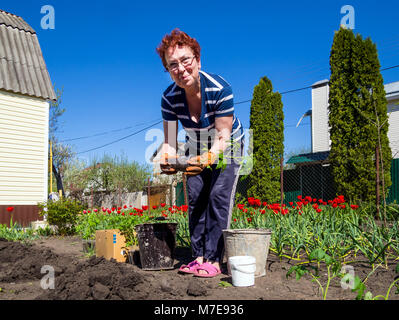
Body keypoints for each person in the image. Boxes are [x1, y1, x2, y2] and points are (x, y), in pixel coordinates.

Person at [156, 28, 244, 278]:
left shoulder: (220, 88)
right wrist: (167, 158)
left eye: (186, 60)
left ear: (197, 59)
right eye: (173, 65)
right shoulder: (169, 99)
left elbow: (223, 136)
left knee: (217, 196)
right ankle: (198, 257)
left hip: (227, 144)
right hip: (195, 142)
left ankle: (215, 260)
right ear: (168, 69)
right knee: (195, 198)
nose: (181, 69)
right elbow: (170, 141)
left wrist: (208, 158)